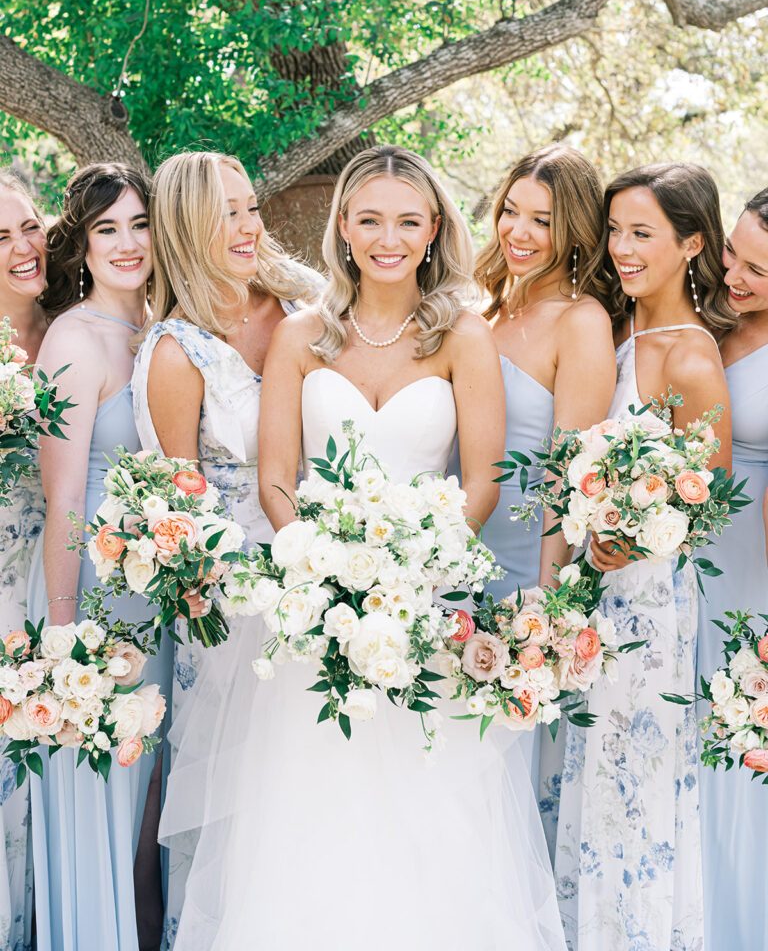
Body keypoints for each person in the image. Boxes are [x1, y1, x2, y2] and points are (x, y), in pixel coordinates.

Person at [171, 145, 567, 950]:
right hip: (316, 623)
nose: (389, 239)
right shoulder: (301, 333)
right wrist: (323, 576)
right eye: (371, 219)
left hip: (428, 613)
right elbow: (277, 478)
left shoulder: (463, 335)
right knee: (311, 827)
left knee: (433, 822)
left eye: (409, 221)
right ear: (343, 227)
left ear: (433, 232)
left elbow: (484, 480)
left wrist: (414, 575)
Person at [131, 150, 323, 944]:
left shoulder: (307, 299)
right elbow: (179, 510)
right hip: (236, 602)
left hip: (335, 562)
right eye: (227, 215)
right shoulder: (176, 354)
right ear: (185, 226)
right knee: (236, 790)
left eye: (250, 207)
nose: (249, 227)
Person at [554, 163, 734, 951]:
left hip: (650, 609)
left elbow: (711, 504)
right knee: (590, 780)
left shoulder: (691, 359)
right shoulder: (616, 327)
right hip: (595, 588)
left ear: (692, 243)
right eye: (616, 231)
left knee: (634, 791)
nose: (623, 250)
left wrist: (630, 531)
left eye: (643, 234)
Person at [26, 163, 172, 951]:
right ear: (80, 246)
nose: (126, 243)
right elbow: (65, 500)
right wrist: (64, 641)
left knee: (156, 801)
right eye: (106, 228)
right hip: (99, 606)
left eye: (140, 223)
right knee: (111, 790)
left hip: (169, 603)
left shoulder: (165, 325)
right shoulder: (74, 338)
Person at [473, 146, 615, 811]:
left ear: (576, 231)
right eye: (511, 212)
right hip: (457, 560)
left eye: (543, 220)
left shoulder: (581, 320)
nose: (519, 232)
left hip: (524, 572)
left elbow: (570, 476)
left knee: (501, 779)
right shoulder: (485, 312)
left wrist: (545, 612)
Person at [698, 186, 768, 949]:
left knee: (740, 743)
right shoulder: (713, 320)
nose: (737, 277)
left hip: (753, 568)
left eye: (759, 270)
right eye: (732, 255)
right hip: (687, 559)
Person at [0, 172, 48, 951]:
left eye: (29, 227)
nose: (21, 249)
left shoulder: (77, 321)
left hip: (78, 572)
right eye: (0, 238)